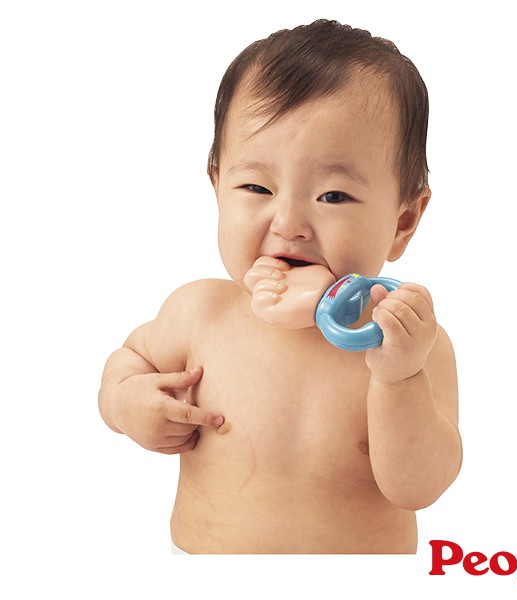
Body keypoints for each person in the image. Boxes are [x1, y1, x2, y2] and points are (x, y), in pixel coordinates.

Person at [98, 19, 462, 554]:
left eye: (334, 196)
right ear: (217, 189)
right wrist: (126, 402)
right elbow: (129, 360)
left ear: (403, 221)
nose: (289, 223)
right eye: (255, 186)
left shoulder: (408, 344)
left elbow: (418, 489)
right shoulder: (201, 312)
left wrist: (399, 378)